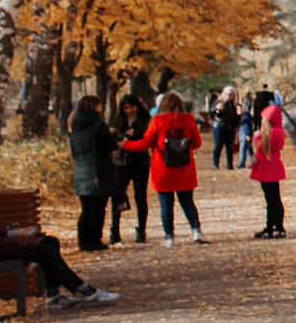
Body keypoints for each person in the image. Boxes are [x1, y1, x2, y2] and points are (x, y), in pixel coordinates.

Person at [0, 160, 117, 307]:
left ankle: (54, 296)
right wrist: (10, 233)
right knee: (43, 251)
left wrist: (14, 228)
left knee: (50, 242)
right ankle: (86, 290)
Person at [121, 91, 206, 245]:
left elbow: (144, 143)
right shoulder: (188, 120)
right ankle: (196, 231)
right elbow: (197, 143)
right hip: (184, 168)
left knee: (166, 204)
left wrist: (125, 144)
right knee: (187, 202)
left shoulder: (157, 121)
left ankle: (169, 236)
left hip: (163, 168)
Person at [67, 96, 115, 252]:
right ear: (95, 107)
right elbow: (109, 144)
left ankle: (83, 240)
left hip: (81, 169)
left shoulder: (74, 124)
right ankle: (94, 239)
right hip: (98, 170)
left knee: (86, 207)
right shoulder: (98, 124)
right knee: (98, 207)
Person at [109, 92, 151, 244]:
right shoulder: (118, 121)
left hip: (140, 162)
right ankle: (114, 231)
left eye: (131, 107)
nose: (129, 111)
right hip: (121, 163)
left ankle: (141, 231)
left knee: (140, 197)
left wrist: (135, 134)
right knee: (118, 196)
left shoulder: (145, 121)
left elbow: (148, 138)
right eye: (126, 108)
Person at [249, 96, 288, 238]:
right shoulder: (276, 131)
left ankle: (279, 227)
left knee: (274, 198)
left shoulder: (273, 133)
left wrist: (255, 137)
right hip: (269, 167)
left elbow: (261, 147)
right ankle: (271, 226)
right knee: (271, 198)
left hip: (269, 168)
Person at [211, 92, 239, 169]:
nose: (229, 96)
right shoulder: (218, 102)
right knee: (218, 146)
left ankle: (230, 165)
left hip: (230, 128)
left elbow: (236, 117)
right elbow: (212, 114)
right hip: (219, 127)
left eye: (231, 95)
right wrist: (217, 109)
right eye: (227, 94)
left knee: (230, 147)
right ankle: (215, 164)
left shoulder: (234, 105)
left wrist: (236, 123)